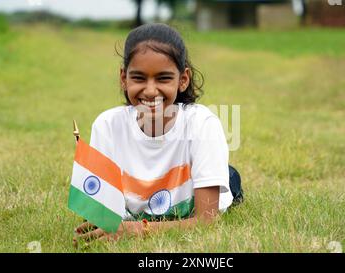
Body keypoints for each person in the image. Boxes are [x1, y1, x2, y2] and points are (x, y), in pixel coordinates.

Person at [74, 23, 243, 244]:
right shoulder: (106, 126)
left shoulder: (203, 123)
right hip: (158, 191)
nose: (151, 90)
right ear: (123, 78)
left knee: (230, 179)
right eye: (139, 78)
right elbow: (101, 215)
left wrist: (137, 229)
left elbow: (206, 222)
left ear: (183, 80)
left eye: (163, 78)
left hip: (192, 185)